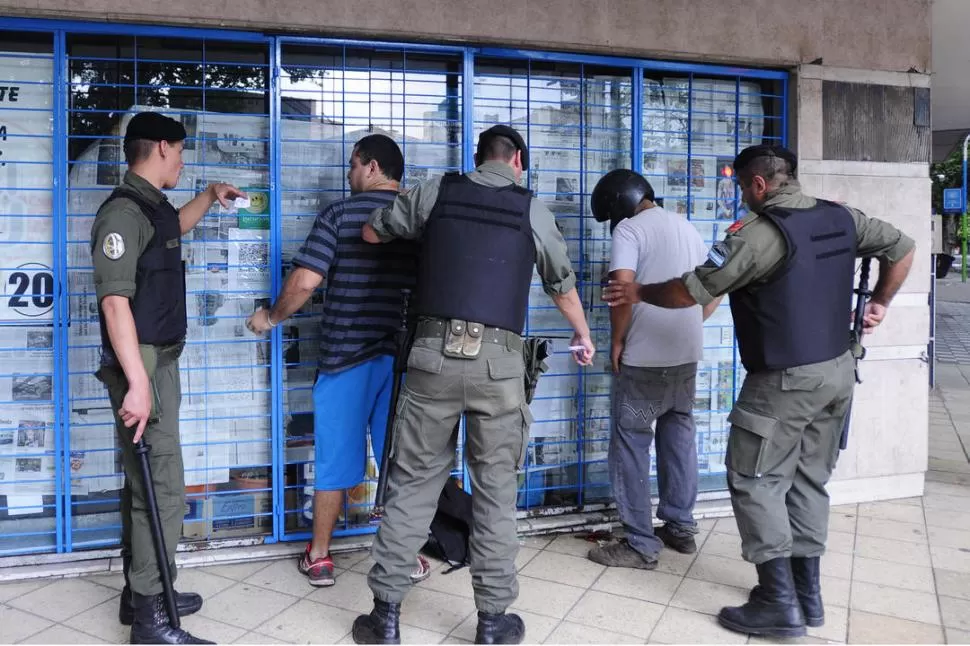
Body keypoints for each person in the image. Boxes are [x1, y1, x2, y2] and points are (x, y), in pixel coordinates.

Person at [602, 145, 915, 639]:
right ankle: (807, 599)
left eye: (741, 186)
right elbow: (903, 246)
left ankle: (777, 601)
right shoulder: (841, 218)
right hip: (837, 370)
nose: (741, 195)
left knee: (755, 478)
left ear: (759, 185)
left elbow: (692, 290)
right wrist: (880, 302)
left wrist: (638, 292)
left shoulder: (760, 235)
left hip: (784, 379)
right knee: (808, 481)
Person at [352, 125, 595, 645]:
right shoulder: (532, 209)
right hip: (498, 371)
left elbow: (374, 231)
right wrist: (583, 333)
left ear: (478, 159)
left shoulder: (437, 191)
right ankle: (491, 622)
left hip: (430, 362)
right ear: (518, 162)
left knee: (413, 484)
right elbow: (562, 284)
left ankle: (386, 616)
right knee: (495, 494)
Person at [245, 134, 430, 588]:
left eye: (352, 166)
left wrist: (270, 316)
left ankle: (321, 556)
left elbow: (306, 280)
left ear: (370, 167)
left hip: (347, 356)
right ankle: (404, 556)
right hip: (406, 361)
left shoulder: (339, 215)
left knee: (333, 460)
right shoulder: (423, 218)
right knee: (400, 462)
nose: (348, 175)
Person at [91, 111, 246, 645]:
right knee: (161, 489)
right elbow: (114, 303)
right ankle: (153, 622)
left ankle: (143, 594)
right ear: (160, 147)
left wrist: (208, 195)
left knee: (147, 483)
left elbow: (171, 229)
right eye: (180, 152)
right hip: (144, 367)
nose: (183, 160)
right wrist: (137, 381)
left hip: (156, 363)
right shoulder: (122, 214)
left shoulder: (151, 208)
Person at [587, 169, 720, 571]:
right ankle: (680, 527)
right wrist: (693, 325)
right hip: (685, 359)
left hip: (645, 363)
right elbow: (713, 289)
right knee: (679, 439)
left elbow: (621, 288)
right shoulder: (688, 228)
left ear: (620, 205)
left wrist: (617, 340)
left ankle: (640, 544)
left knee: (631, 442)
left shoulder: (629, 232)